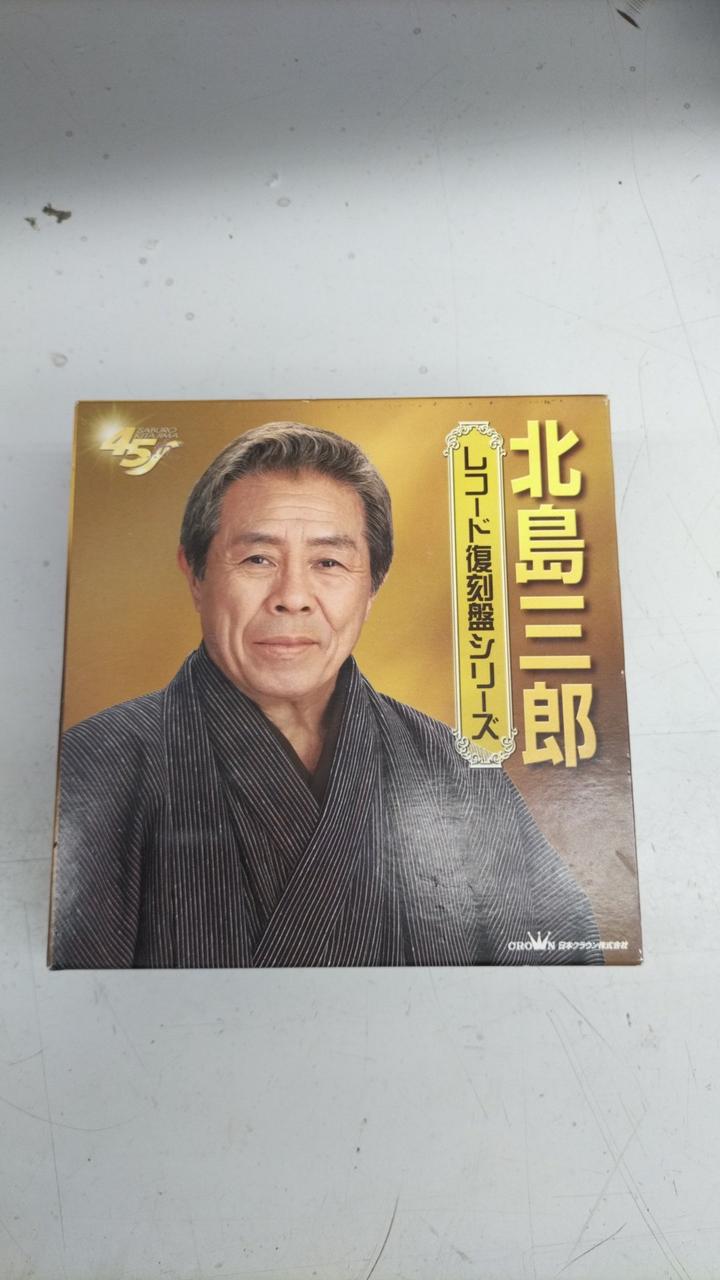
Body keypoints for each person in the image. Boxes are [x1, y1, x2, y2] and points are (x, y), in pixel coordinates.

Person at [50, 422, 602, 968]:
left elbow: (561, 978)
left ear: (373, 586)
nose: (292, 597)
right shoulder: (96, 767)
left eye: (329, 562)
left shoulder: (457, 774)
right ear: (195, 576)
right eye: (257, 559)